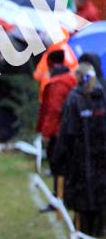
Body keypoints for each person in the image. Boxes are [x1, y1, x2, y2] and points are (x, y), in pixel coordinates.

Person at [52, 62, 106, 237]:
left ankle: (84, 230)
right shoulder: (101, 96)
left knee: (83, 195)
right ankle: (99, 227)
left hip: (80, 157)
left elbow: (68, 130)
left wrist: (59, 158)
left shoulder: (74, 99)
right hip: (100, 156)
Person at [36, 50, 77, 210]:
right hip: (69, 131)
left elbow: (53, 110)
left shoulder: (57, 84)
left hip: (58, 133)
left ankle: (59, 198)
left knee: (58, 166)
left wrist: (46, 133)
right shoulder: (71, 79)